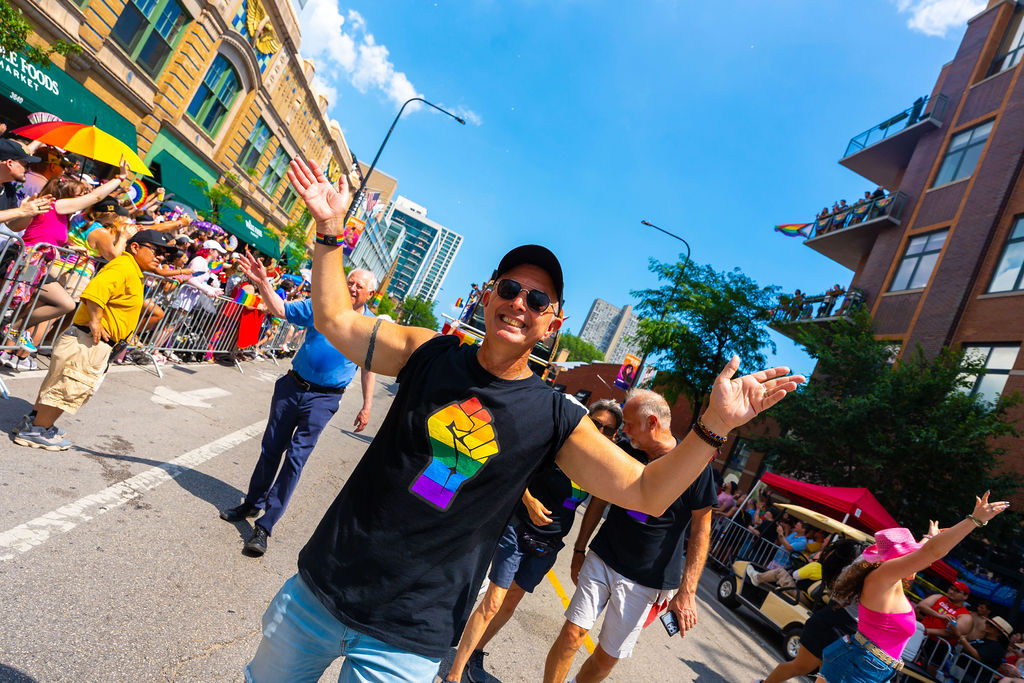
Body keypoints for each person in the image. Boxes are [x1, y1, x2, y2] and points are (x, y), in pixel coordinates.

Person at [242, 158, 803, 683]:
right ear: (489, 295)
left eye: (538, 300)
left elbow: (646, 491)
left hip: (409, 635)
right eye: (510, 289)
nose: (519, 303)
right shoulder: (428, 352)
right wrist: (329, 233)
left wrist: (712, 426)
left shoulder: (556, 417)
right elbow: (335, 319)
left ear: (553, 324)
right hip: (321, 589)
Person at [543, 389, 718, 683]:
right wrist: (579, 549)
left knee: (606, 658)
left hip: (647, 579)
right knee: (573, 633)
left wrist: (687, 592)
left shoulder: (695, 468)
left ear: (652, 423)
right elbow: (599, 499)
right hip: (604, 556)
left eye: (629, 423)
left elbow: (702, 527)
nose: (623, 430)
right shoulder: (625, 450)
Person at [443, 399, 623, 683]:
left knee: (510, 602)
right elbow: (519, 471)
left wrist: (579, 549)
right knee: (494, 601)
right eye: (596, 423)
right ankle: (454, 675)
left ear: (615, 435)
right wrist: (528, 501)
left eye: (608, 429)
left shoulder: (600, 467)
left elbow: (596, 508)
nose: (600, 431)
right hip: (518, 527)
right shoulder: (561, 445)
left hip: (548, 545)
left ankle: (475, 652)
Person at [219, 255, 377, 556]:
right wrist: (263, 283)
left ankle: (265, 527)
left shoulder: (370, 328)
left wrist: (367, 404)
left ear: (371, 293)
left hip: (324, 399)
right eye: (350, 282)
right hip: (292, 387)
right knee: (270, 449)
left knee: (295, 460)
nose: (352, 288)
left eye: (359, 286)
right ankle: (252, 503)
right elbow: (281, 310)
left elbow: (368, 367)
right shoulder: (324, 305)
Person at [816, 493, 1009, 683]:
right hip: (858, 666)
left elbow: (924, 552)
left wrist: (929, 537)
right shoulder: (882, 576)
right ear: (898, 560)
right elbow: (930, 553)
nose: (921, 564)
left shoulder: (885, 578)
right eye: (909, 556)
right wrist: (974, 520)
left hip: (864, 664)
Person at [12, 230, 175, 449]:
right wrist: (96, 321)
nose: (161, 257)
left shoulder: (131, 269)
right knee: (68, 387)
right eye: (157, 251)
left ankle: (35, 422)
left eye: (165, 255)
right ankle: (37, 431)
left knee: (59, 384)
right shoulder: (123, 266)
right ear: (135, 247)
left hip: (88, 340)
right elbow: (95, 292)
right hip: (89, 341)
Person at [755, 539, 865, 683]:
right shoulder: (849, 575)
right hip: (829, 629)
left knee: (821, 676)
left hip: (838, 631)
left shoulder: (852, 575)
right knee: (800, 667)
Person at [959, 615, 1013, 681]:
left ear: (999, 633)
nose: (987, 625)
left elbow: (978, 656)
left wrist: (963, 640)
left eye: (991, 625)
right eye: (987, 622)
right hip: (962, 672)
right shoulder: (985, 639)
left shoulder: (996, 647)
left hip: (973, 678)